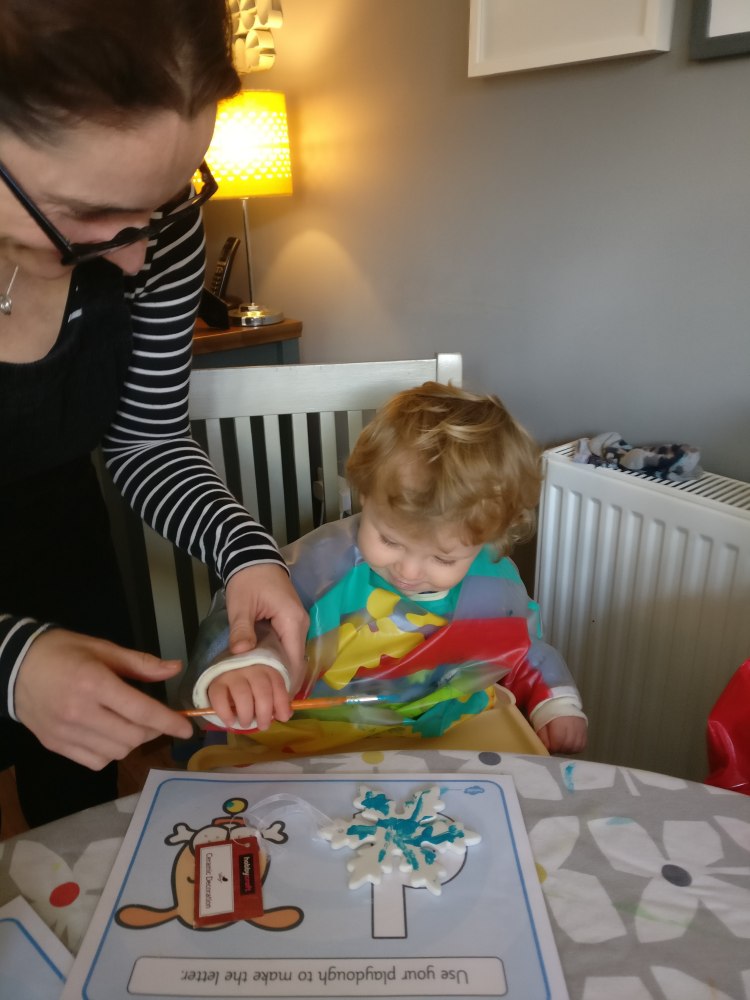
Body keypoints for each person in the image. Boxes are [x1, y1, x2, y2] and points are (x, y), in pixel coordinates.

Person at [0, 0, 307, 828]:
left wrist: (248, 555)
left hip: (61, 551)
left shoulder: (156, 232)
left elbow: (147, 441)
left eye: (167, 200)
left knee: (71, 816)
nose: (137, 255)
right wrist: (12, 661)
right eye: (88, 215)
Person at [185, 382, 587, 758]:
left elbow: (522, 648)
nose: (408, 571)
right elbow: (251, 617)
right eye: (390, 540)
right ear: (365, 493)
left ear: (490, 537)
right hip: (310, 738)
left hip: (444, 737)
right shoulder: (321, 565)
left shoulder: (493, 585)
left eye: (443, 559)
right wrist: (251, 666)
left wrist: (556, 704)